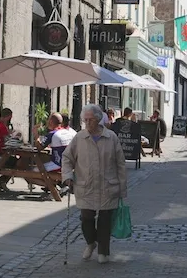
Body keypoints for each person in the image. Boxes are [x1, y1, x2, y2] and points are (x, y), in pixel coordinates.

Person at [62, 104, 127, 264]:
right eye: (85, 120)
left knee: (105, 220)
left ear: (98, 120)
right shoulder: (79, 137)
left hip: (108, 186)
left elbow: (121, 164)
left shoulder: (111, 137)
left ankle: (103, 252)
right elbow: (67, 158)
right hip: (86, 185)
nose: (88, 123)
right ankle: (91, 242)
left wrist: (122, 188)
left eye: (90, 120)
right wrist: (68, 176)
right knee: (86, 219)